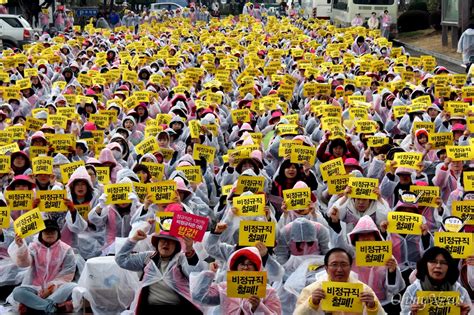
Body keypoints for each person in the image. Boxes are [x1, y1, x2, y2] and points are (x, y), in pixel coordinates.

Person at [115, 225, 205, 313]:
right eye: (163, 240)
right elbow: (121, 260)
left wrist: (189, 250)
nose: (166, 243)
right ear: (157, 243)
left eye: (171, 241)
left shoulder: (181, 260)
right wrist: (133, 240)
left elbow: (197, 275)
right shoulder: (147, 257)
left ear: (176, 246)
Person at [9, 220, 77, 314]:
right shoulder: (34, 247)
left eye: (52, 231)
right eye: (46, 231)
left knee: (73, 286)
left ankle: (35, 307)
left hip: (56, 289)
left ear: (58, 233)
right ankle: (50, 307)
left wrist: (50, 289)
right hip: (34, 289)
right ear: (41, 233)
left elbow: (68, 274)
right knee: (17, 292)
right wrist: (21, 247)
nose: (49, 234)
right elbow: (24, 263)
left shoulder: (66, 249)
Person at [191, 247, 282, 314]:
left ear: (257, 267)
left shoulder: (268, 292)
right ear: (235, 267)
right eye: (242, 264)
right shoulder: (225, 288)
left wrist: (259, 307)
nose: (245, 267)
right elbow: (199, 297)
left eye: (250, 264)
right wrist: (210, 274)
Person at [294, 248, 385, 314]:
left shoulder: (364, 291)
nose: (339, 269)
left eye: (344, 264)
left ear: (350, 267)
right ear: (326, 268)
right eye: (334, 264)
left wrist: (372, 307)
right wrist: (312, 303)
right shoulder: (312, 290)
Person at [401, 247, 472, 315]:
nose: (438, 266)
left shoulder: (460, 291)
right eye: (433, 261)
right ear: (425, 265)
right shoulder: (412, 291)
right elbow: (404, 312)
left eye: (443, 262)